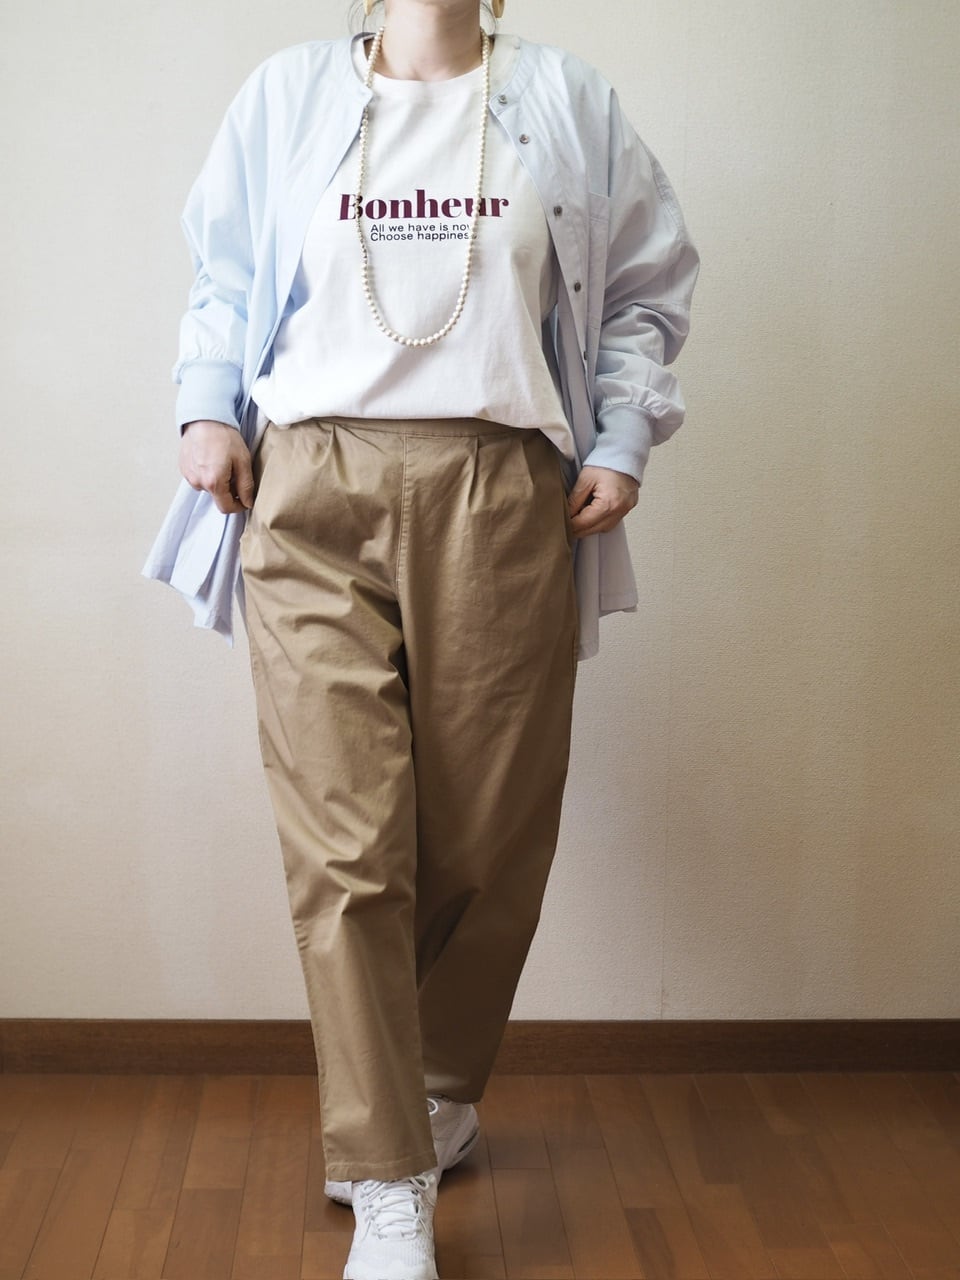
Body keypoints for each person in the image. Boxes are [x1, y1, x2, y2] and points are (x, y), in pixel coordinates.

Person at [143, 1, 699, 1276]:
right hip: (312, 482)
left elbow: (645, 284)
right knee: (345, 841)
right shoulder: (288, 95)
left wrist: (622, 435)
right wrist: (205, 406)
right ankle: (390, 1179)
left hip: (499, 481)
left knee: (492, 830)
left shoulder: (565, 101)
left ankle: (436, 1083)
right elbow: (224, 272)